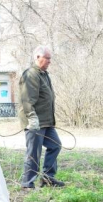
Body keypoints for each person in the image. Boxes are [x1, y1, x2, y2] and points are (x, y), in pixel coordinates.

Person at [19, 45, 65, 189]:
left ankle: (48, 177)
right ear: (37, 57)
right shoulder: (31, 74)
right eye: (47, 58)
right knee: (34, 152)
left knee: (55, 145)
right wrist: (32, 118)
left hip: (46, 122)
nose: (50, 61)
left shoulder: (44, 74)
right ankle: (27, 183)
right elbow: (27, 99)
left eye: (50, 59)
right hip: (35, 122)